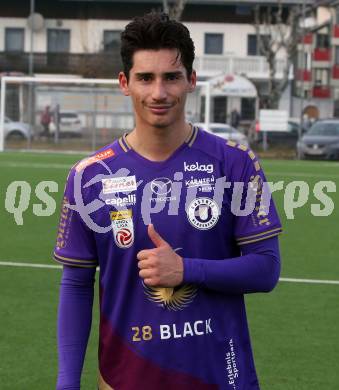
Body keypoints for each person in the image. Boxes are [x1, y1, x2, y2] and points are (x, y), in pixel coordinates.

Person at [54, 12, 282, 390]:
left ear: (191, 80)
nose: (159, 92)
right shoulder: (90, 176)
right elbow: (76, 284)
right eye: (146, 78)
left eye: (171, 77)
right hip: (124, 380)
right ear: (125, 83)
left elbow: (266, 269)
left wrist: (187, 269)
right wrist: (66, 383)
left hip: (220, 379)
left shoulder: (235, 163)